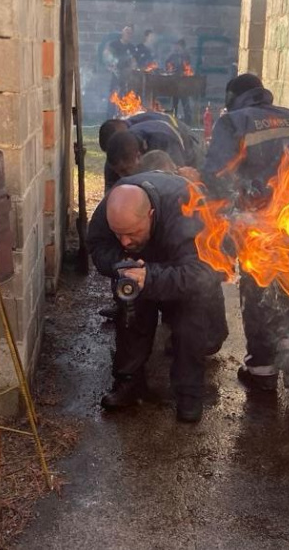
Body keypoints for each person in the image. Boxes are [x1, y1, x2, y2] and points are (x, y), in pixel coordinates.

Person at [201, 73, 289, 401]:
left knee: (258, 292)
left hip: (260, 227)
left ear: (233, 97)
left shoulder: (233, 122)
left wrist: (226, 216)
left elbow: (216, 175)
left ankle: (262, 371)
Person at [86, 170, 229, 423]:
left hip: (185, 269)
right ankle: (128, 384)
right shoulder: (112, 206)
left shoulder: (189, 210)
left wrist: (149, 276)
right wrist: (121, 264)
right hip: (141, 268)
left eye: (131, 233)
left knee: (188, 326)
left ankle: (189, 396)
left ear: (150, 215)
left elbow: (202, 274)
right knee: (130, 315)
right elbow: (97, 245)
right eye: (118, 234)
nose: (125, 240)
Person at [104, 25, 136, 118]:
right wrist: (111, 66)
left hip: (128, 77)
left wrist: (133, 69)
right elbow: (107, 56)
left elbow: (133, 62)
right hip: (116, 75)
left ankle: (123, 117)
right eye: (126, 32)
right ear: (122, 32)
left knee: (126, 97)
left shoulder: (132, 47)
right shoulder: (114, 44)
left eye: (130, 33)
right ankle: (109, 118)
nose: (128, 34)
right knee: (113, 97)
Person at [165, 39, 194, 124]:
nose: (177, 48)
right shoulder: (173, 55)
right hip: (174, 82)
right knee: (174, 103)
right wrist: (170, 69)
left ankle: (188, 121)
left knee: (185, 102)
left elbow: (187, 68)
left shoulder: (186, 56)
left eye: (179, 46)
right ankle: (174, 121)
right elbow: (167, 63)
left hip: (184, 83)